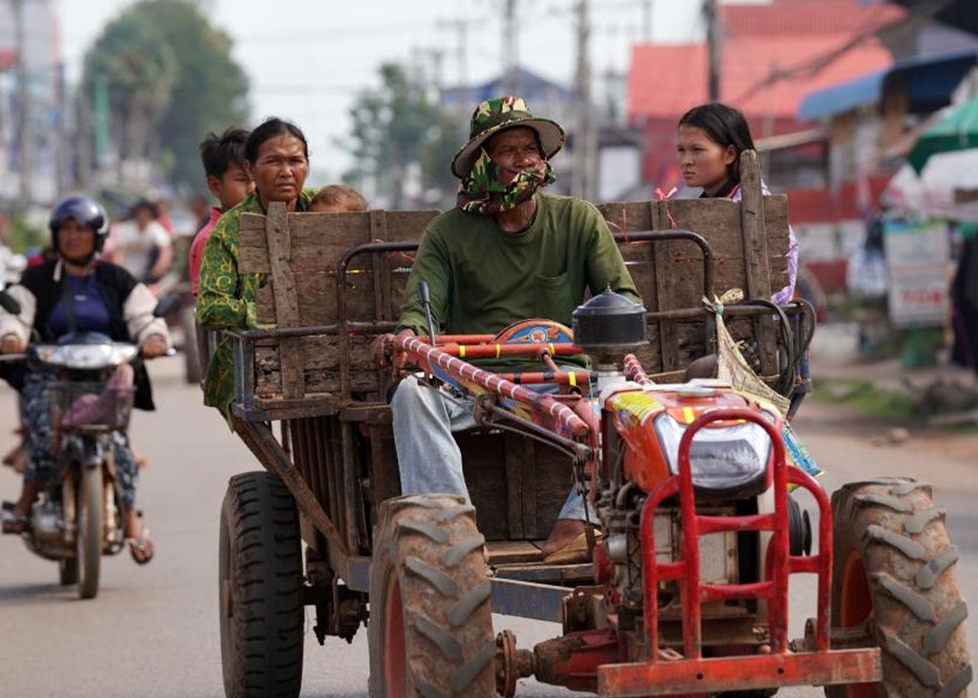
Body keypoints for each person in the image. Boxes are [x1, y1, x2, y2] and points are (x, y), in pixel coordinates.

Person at [370, 96, 641, 562]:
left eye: (530, 148)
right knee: (412, 395)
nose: (524, 160)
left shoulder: (577, 220)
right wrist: (405, 340)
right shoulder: (447, 232)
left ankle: (581, 522)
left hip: (567, 379)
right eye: (508, 150)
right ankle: (448, 531)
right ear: (481, 165)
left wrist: (603, 331)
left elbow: (625, 301)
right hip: (473, 384)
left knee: (634, 410)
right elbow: (419, 314)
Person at [0, 196, 171, 563]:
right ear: (56, 236)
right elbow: (16, 317)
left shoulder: (117, 279)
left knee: (119, 445)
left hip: (106, 380)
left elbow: (145, 317)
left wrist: (154, 339)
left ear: (98, 236)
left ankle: (131, 522)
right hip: (50, 378)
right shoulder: (37, 278)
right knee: (45, 440)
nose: (74, 237)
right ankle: (24, 505)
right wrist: (12, 337)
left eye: (82, 230)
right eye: (67, 230)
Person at [197, 118, 318, 418]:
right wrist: (267, 317)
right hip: (257, 362)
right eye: (274, 161)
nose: (286, 172)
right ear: (251, 168)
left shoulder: (324, 208)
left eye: (295, 161)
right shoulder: (229, 229)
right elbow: (210, 308)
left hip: (327, 350)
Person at [676, 102, 798, 305]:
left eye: (697, 150)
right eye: (681, 150)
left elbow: (780, 289)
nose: (686, 160)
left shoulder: (758, 208)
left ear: (729, 154)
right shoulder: (701, 208)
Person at [188, 127, 256, 297]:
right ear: (215, 186)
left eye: (256, 179)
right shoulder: (211, 239)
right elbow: (211, 312)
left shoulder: (259, 230)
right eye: (242, 180)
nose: (252, 189)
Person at [111, 199, 173, 283]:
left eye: (146, 214)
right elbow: (119, 252)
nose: (143, 216)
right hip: (124, 269)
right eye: (141, 213)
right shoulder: (126, 228)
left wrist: (158, 268)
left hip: (145, 273)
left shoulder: (156, 229)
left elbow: (165, 251)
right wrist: (118, 271)